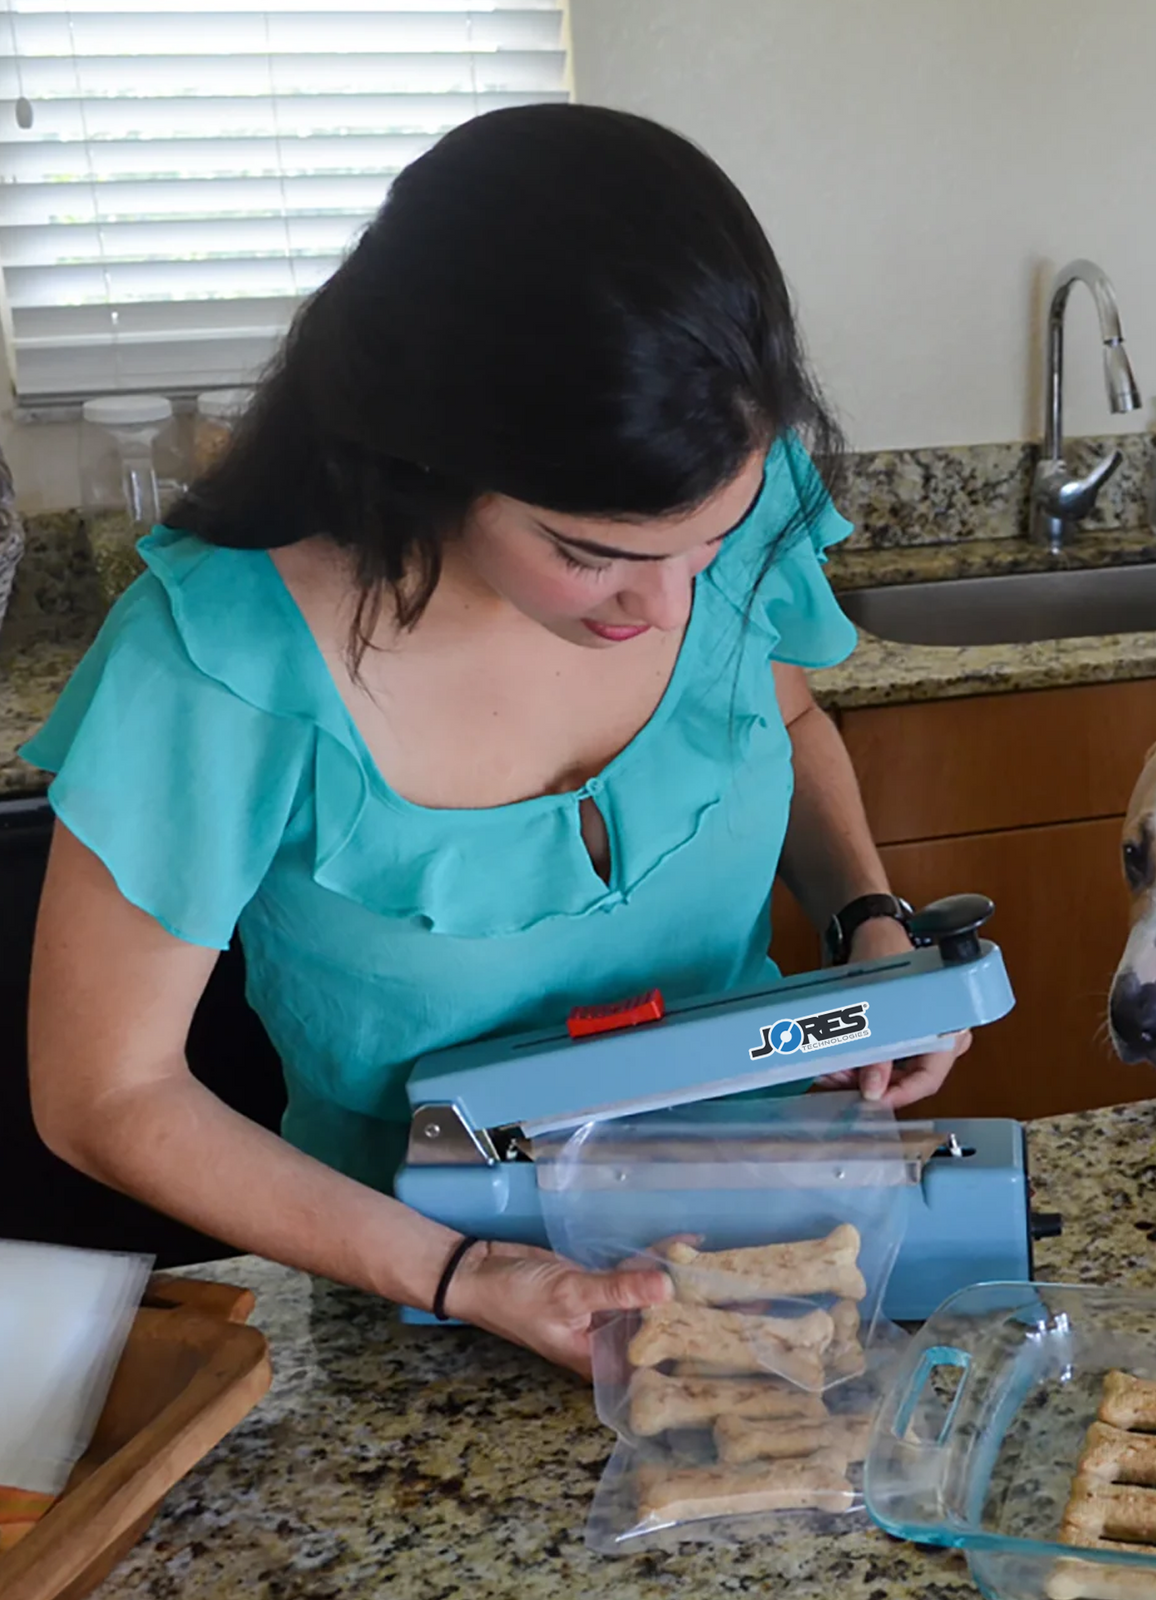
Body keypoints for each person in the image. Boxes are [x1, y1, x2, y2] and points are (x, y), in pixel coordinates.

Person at [23, 105, 969, 1375]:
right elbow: (108, 1095)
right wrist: (467, 1275)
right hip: (416, 1292)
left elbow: (782, 709)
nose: (668, 610)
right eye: (591, 556)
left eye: (708, 547)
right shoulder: (217, 656)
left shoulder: (717, 491)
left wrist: (870, 926)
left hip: (778, 1237)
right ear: (426, 451)